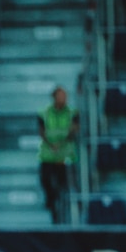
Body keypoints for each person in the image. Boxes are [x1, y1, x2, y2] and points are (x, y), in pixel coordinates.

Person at [37, 86, 78, 225]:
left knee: (64, 185)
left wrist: (61, 144)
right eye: (61, 96)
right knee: (45, 180)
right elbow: (41, 130)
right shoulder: (45, 113)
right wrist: (51, 144)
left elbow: (74, 130)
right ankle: (51, 202)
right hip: (48, 154)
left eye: (65, 96)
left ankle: (65, 210)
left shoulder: (72, 112)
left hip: (65, 155)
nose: (64, 99)